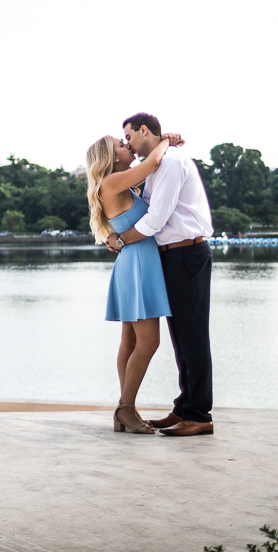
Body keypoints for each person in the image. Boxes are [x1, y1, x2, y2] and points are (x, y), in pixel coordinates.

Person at [108, 112, 216, 437]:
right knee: (181, 338)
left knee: (193, 336)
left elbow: (156, 219)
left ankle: (199, 415)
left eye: (128, 137)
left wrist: (121, 240)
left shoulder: (168, 163)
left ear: (144, 131)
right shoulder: (157, 164)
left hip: (187, 253)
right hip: (170, 257)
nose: (127, 143)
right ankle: (184, 408)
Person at [85, 130, 177, 433]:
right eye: (121, 145)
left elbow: (150, 175)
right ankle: (126, 407)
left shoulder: (119, 183)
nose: (127, 146)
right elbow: (151, 164)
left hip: (135, 263)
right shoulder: (111, 182)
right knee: (149, 342)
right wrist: (167, 140)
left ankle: (126, 408)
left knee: (131, 341)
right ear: (112, 158)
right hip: (137, 265)